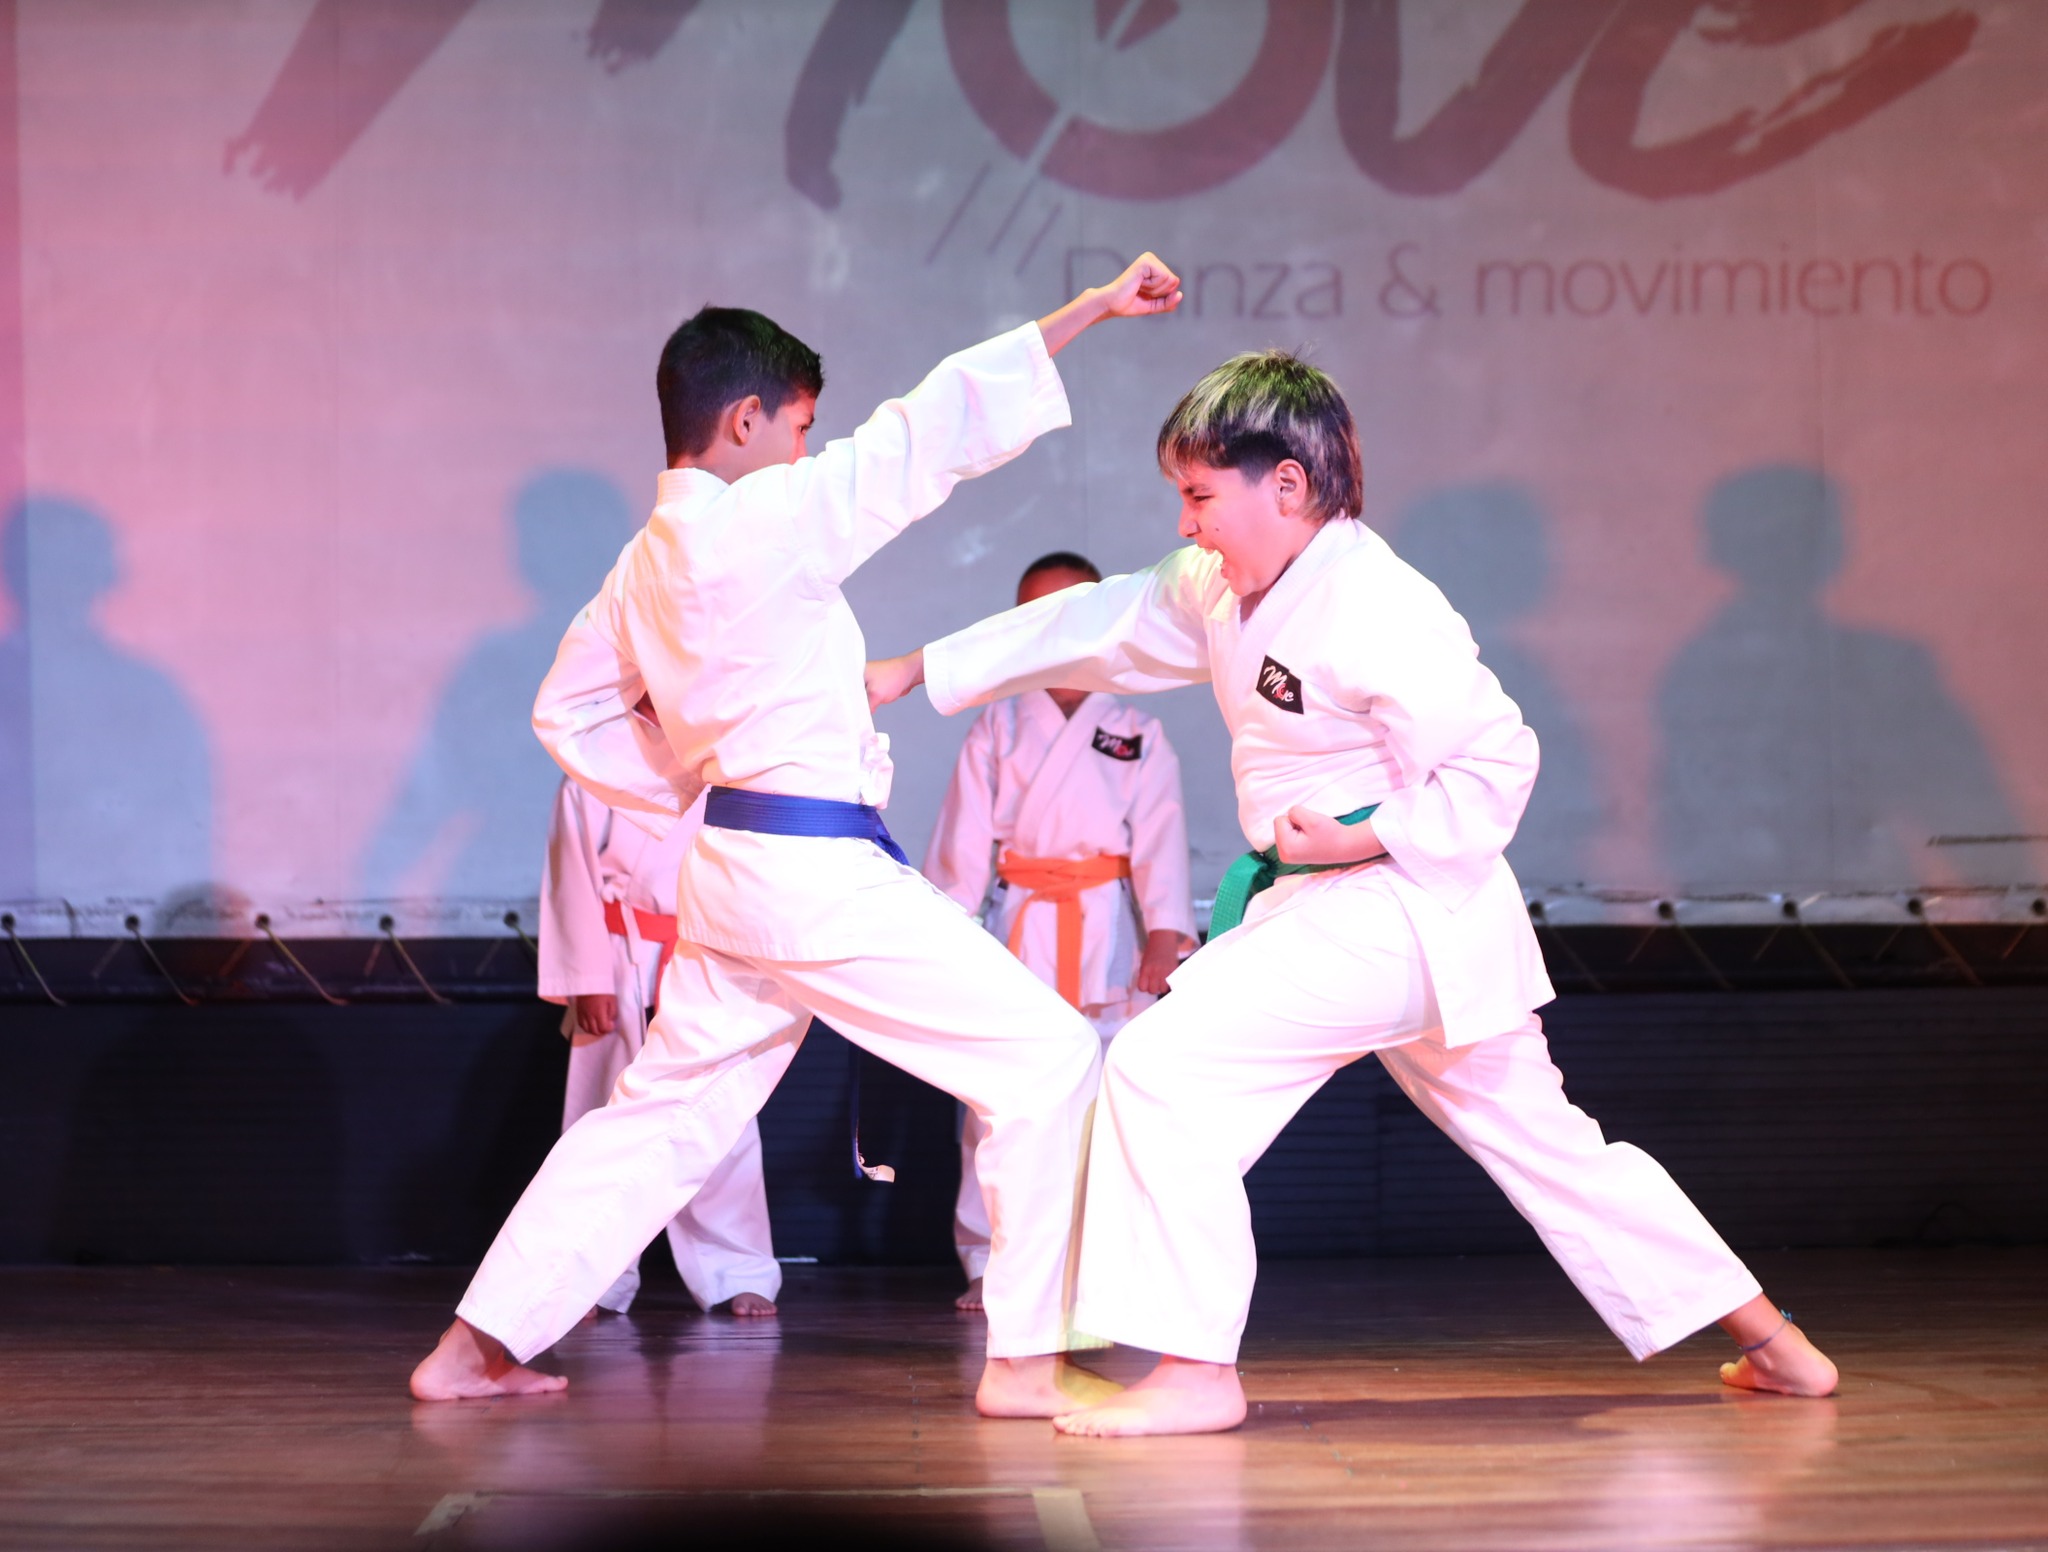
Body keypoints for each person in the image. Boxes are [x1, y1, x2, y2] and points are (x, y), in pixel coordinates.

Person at [866, 350, 1840, 1436]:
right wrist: (916, 668)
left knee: (1159, 1070)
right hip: (1366, 916)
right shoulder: (1215, 587)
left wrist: (1359, 831)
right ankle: (1776, 1342)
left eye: (1199, 496)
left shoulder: (1377, 602)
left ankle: (1196, 1370)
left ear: (1285, 484)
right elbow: (1090, 621)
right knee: (1552, 1148)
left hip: (1394, 902)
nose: (1186, 524)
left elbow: (1496, 765)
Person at [409, 252, 1184, 1412]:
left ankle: (471, 1347)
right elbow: (929, 430)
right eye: (801, 426)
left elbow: (565, 712)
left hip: (730, 867)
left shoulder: (641, 563)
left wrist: (694, 778)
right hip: (813, 871)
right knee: (1050, 1058)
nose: (807, 449)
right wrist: (1091, 308)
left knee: (657, 1118)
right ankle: (1023, 1360)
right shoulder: (768, 516)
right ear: (744, 419)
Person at [924, 551, 1196, 1312]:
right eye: (1035, 613)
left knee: (1109, 1103)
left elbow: (1162, 839)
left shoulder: (1135, 728)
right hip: (1018, 927)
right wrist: (945, 941)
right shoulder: (999, 725)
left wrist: (1165, 933)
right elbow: (961, 851)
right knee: (1001, 1099)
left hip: (1106, 930)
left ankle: (1100, 1267)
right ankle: (991, 1259)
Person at [539, 776, 779, 1318]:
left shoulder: (728, 761)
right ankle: (591, 1279)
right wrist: (588, 979)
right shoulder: (595, 764)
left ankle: (737, 1269)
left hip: (713, 955)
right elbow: (570, 875)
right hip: (621, 956)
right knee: (605, 1123)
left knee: (724, 1117)